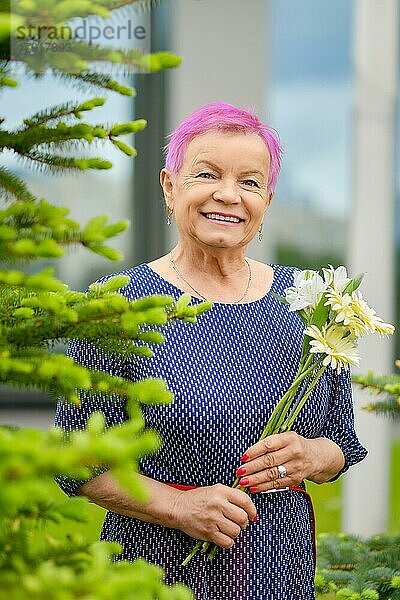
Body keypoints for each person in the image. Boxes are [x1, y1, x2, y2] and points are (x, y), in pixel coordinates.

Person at [55, 102, 367, 599]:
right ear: (169, 185)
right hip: (155, 572)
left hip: (276, 572)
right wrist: (179, 508)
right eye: (206, 174)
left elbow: (341, 444)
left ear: (268, 198)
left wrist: (309, 455)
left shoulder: (309, 305)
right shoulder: (118, 307)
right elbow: (75, 458)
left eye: (249, 181)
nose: (228, 194)